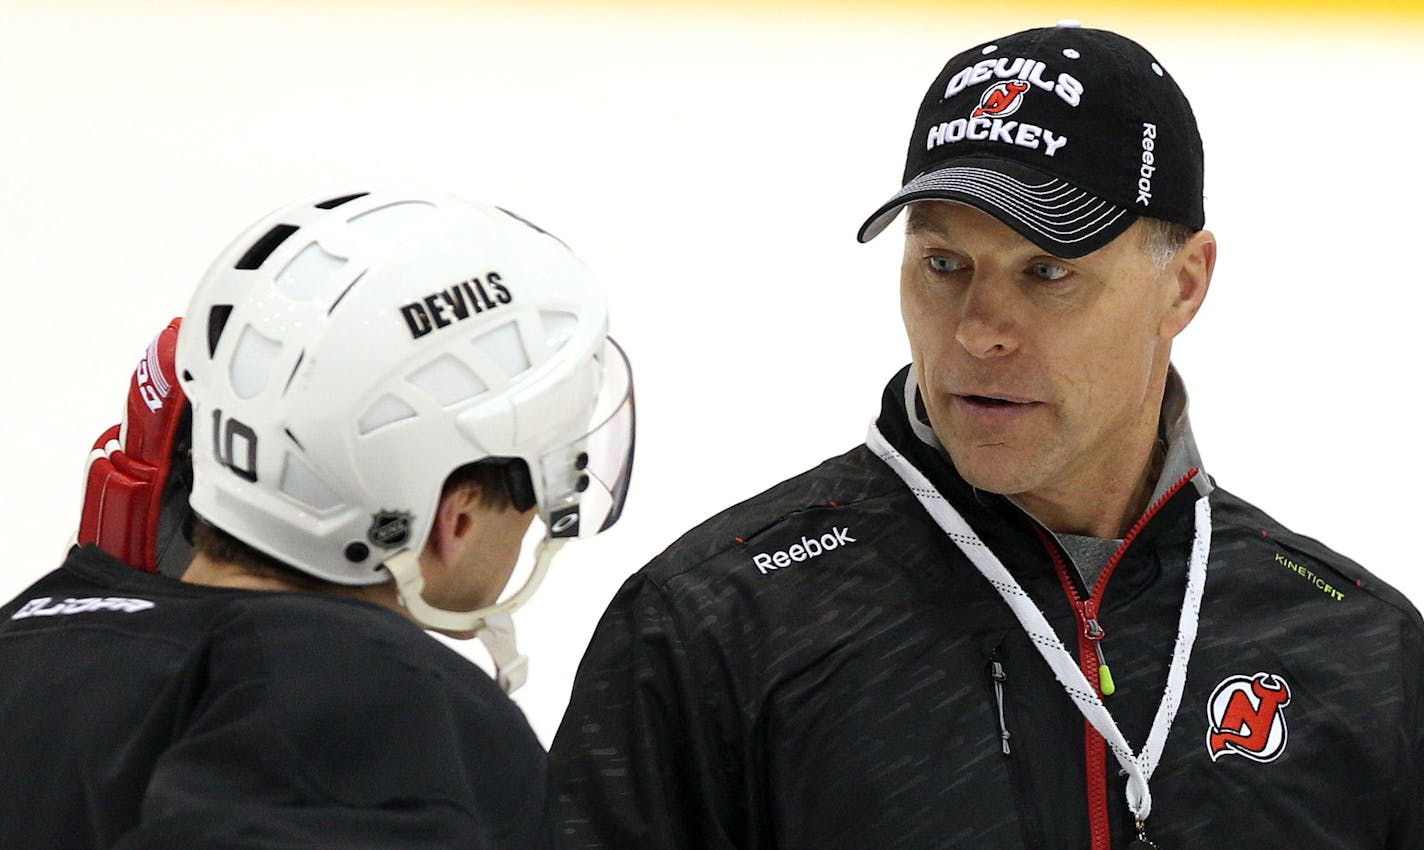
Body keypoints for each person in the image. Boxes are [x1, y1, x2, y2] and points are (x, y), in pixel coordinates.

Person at [550, 23, 1423, 850]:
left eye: (1048, 272)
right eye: (943, 266)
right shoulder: (717, 630)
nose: (978, 331)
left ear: (1184, 286)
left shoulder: (1357, 653)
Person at [0, 187, 635, 849]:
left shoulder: (28, 642)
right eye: (542, 481)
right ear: (459, 515)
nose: (535, 520)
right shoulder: (378, 701)